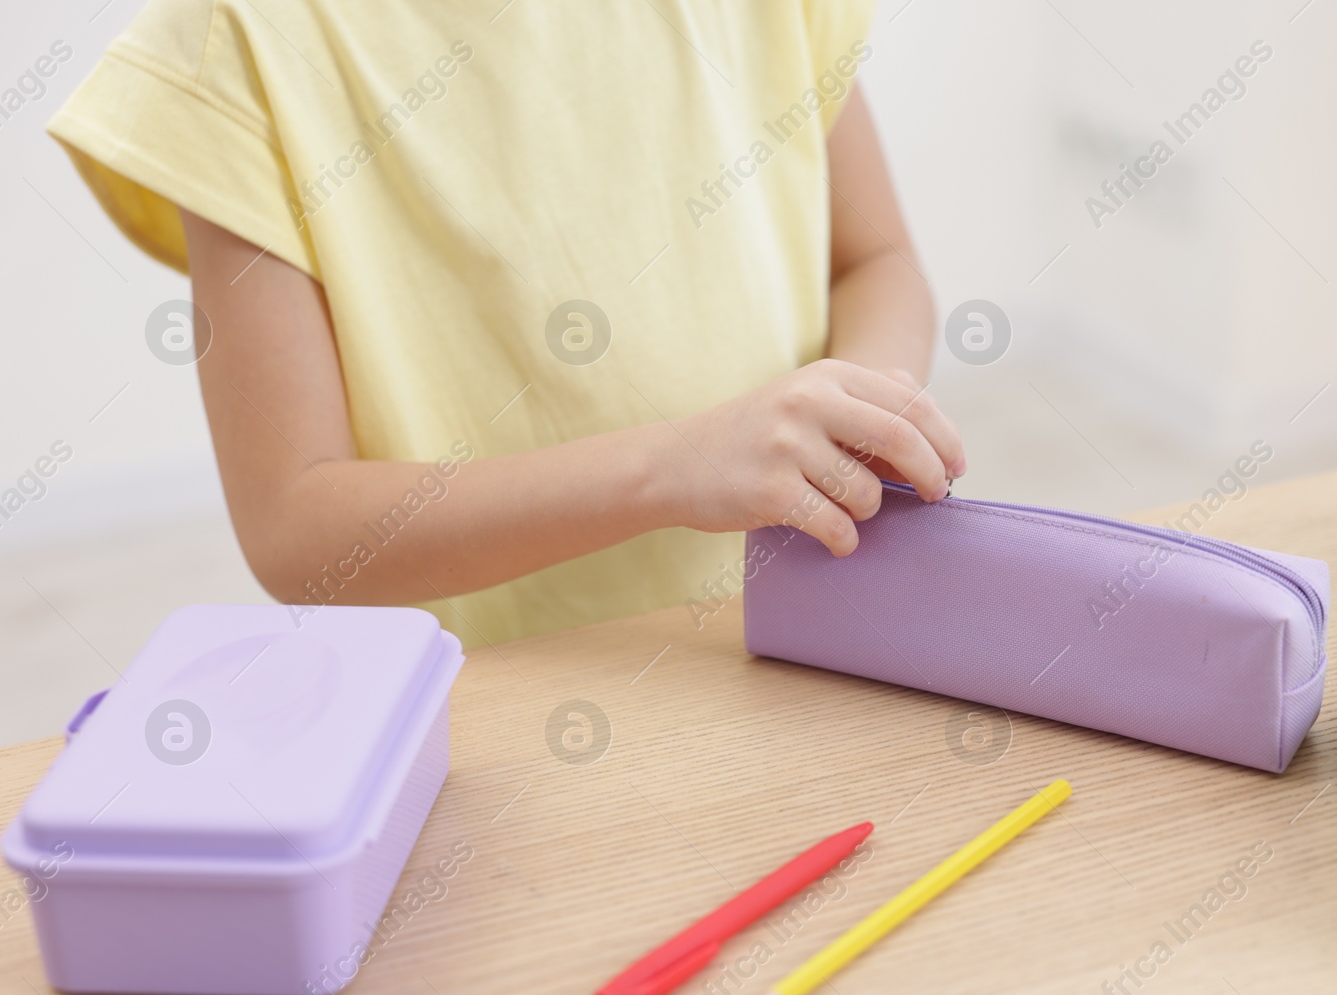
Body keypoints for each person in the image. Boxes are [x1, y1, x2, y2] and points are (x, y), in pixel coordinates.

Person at [48, 0, 965, 646]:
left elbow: (875, 262)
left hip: (807, 637)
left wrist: (860, 415)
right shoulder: (235, 39)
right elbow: (295, 526)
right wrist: (673, 468)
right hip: (492, 714)